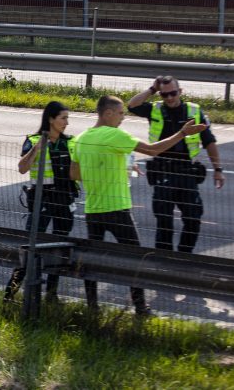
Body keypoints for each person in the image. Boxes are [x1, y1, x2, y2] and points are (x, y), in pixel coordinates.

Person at [69, 95, 207, 316]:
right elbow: (153, 150)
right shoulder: (114, 134)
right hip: (117, 209)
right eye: (121, 113)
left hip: (93, 210)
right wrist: (182, 133)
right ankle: (141, 308)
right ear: (108, 114)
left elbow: (74, 173)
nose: (124, 118)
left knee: (92, 261)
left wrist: (100, 170)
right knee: (135, 259)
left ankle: (92, 307)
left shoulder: (82, 138)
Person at [127, 75, 224, 253]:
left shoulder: (194, 111)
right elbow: (131, 105)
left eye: (173, 93)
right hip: (163, 170)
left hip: (187, 172)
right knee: (164, 221)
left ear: (180, 92)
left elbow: (209, 141)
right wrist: (152, 89)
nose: (169, 98)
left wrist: (218, 169)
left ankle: (184, 255)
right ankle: (164, 261)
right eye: (165, 95)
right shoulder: (155, 109)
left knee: (193, 218)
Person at [3, 101, 77, 303]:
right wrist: (37, 148)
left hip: (63, 199)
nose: (66, 122)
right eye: (63, 118)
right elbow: (22, 168)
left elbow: (76, 171)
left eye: (67, 118)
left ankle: (51, 294)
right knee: (31, 248)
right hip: (41, 200)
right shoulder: (33, 139)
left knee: (60, 248)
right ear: (51, 119)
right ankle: (10, 293)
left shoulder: (70, 142)